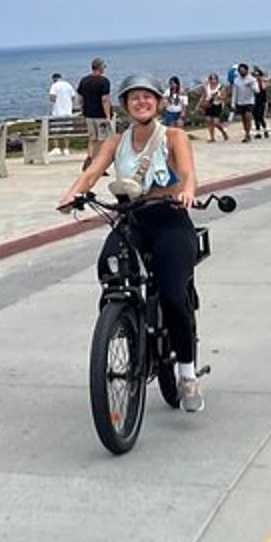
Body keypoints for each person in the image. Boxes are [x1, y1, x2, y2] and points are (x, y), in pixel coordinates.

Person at [57, 74, 205, 412]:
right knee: (107, 268)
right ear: (125, 105)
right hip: (133, 221)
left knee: (171, 294)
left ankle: (186, 373)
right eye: (134, 97)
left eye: (147, 97)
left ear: (158, 102)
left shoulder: (174, 136)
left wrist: (187, 192)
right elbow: (92, 173)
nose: (141, 102)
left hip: (170, 220)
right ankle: (123, 321)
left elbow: (188, 173)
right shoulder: (116, 141)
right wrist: (72, 196)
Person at [77, 57, 114, 167]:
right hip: (100, 115)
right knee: (102, 140)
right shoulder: (104, 81)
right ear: (100, 67)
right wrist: (107, 116)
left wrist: (83, 111)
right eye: (103, 67)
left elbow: (80, 99)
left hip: (89, 115)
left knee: (92, 139)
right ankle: (96, 162)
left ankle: (90, 157)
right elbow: (105, 100)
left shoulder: (84, 80)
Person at [48, 72, 77, 155]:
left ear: (54, 79)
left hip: (58, 112)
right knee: (66, 131)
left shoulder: (54, 85)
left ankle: (56, 148)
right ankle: (66, 149)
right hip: (68, 112)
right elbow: (73, 97)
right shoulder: (68, 85)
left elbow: (52, 97)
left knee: (55, 131)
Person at [231, 61, 258, 142]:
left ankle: (248, 134)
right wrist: (233, 103)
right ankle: (246, 132)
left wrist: (251, 85)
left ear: (247, 70)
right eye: (240, 70)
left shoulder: (252, 79)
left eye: (243, 70)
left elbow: (257, 90)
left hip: (249, 101)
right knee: (243, 119)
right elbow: (234, 92)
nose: (242, 72)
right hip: (240, 101)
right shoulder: (236, 80)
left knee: (248, 116)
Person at [200, 73, 230, 142]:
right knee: (208, 120)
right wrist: (202, 104)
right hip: (208, 105)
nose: (213, 81)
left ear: (217, 80)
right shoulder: (207, 87)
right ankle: (212, 137)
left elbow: (224, 97)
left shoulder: (221, 87)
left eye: (214, 79)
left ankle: (223, 131)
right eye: (211, 79)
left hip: (217, 105)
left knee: (216, 122)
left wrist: (219, 97)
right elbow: (204, 96)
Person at [251, 67, 270, 139]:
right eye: (255, 75)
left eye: (258, 75)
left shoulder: (262, 83)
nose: (256, 76)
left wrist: (265, 102)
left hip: (261, 102)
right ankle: (258, 132)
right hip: (253, 102)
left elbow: (264, 94)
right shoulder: (252, 83)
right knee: (255, 117)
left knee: (260, 117)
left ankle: (265, 130)